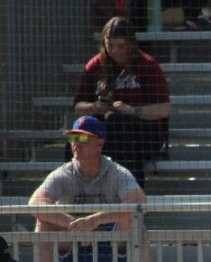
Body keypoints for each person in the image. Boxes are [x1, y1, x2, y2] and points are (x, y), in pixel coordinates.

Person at [22, 116, 162, 262]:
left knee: (134, 218)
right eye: (73, 139)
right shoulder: (63, 173)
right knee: (44, 220)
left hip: (113, 248)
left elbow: (139, 202)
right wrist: (74, 224)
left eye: (84, 138)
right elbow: (35, 203)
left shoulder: (117, 172)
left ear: (100, 142)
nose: (76, 145)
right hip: (75, 247)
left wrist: (96, 220)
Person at [72, 17, 170, 186]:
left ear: (131, 44)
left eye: (121, 46)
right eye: (110, 46)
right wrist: (95, 107)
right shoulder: (96, 65)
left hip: (145, 131)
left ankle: (130, 197)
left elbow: (164, 109)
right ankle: (76, 193)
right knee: (79, 135)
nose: (115, 51)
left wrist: (132, 111)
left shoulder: (147, 65)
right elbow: (78, 106)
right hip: (106, 133)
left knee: (117, 122)